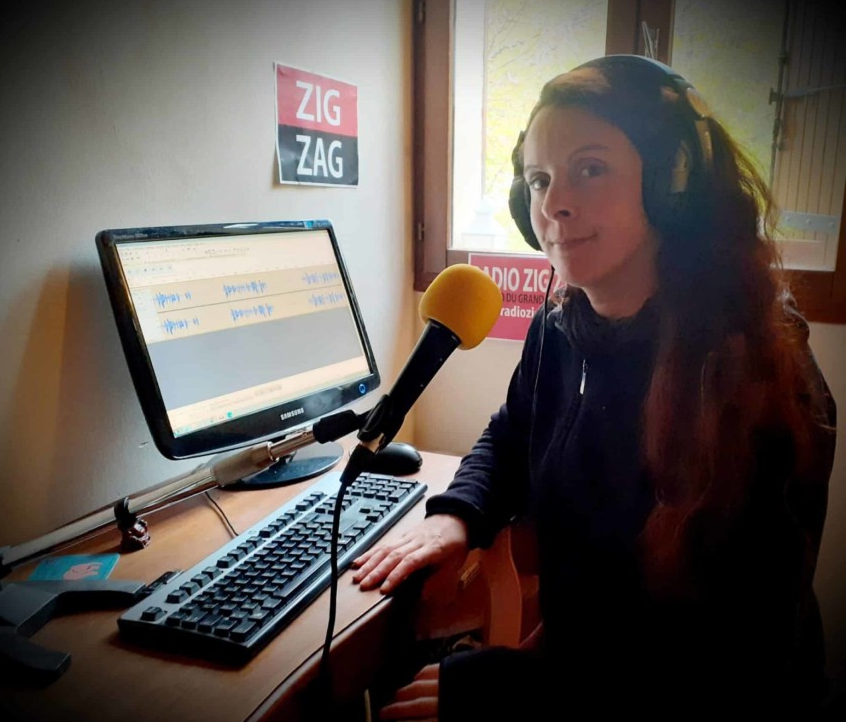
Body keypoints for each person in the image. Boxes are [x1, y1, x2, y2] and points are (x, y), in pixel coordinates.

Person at [352, 54, 837, 718]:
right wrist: (458, 514)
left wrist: (516, 686)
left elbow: (730, 654)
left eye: (590, 168)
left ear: (673, 184)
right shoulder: (561, 325)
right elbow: (511, 431)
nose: (552, 203)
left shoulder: (759, 373)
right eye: (538, 179)